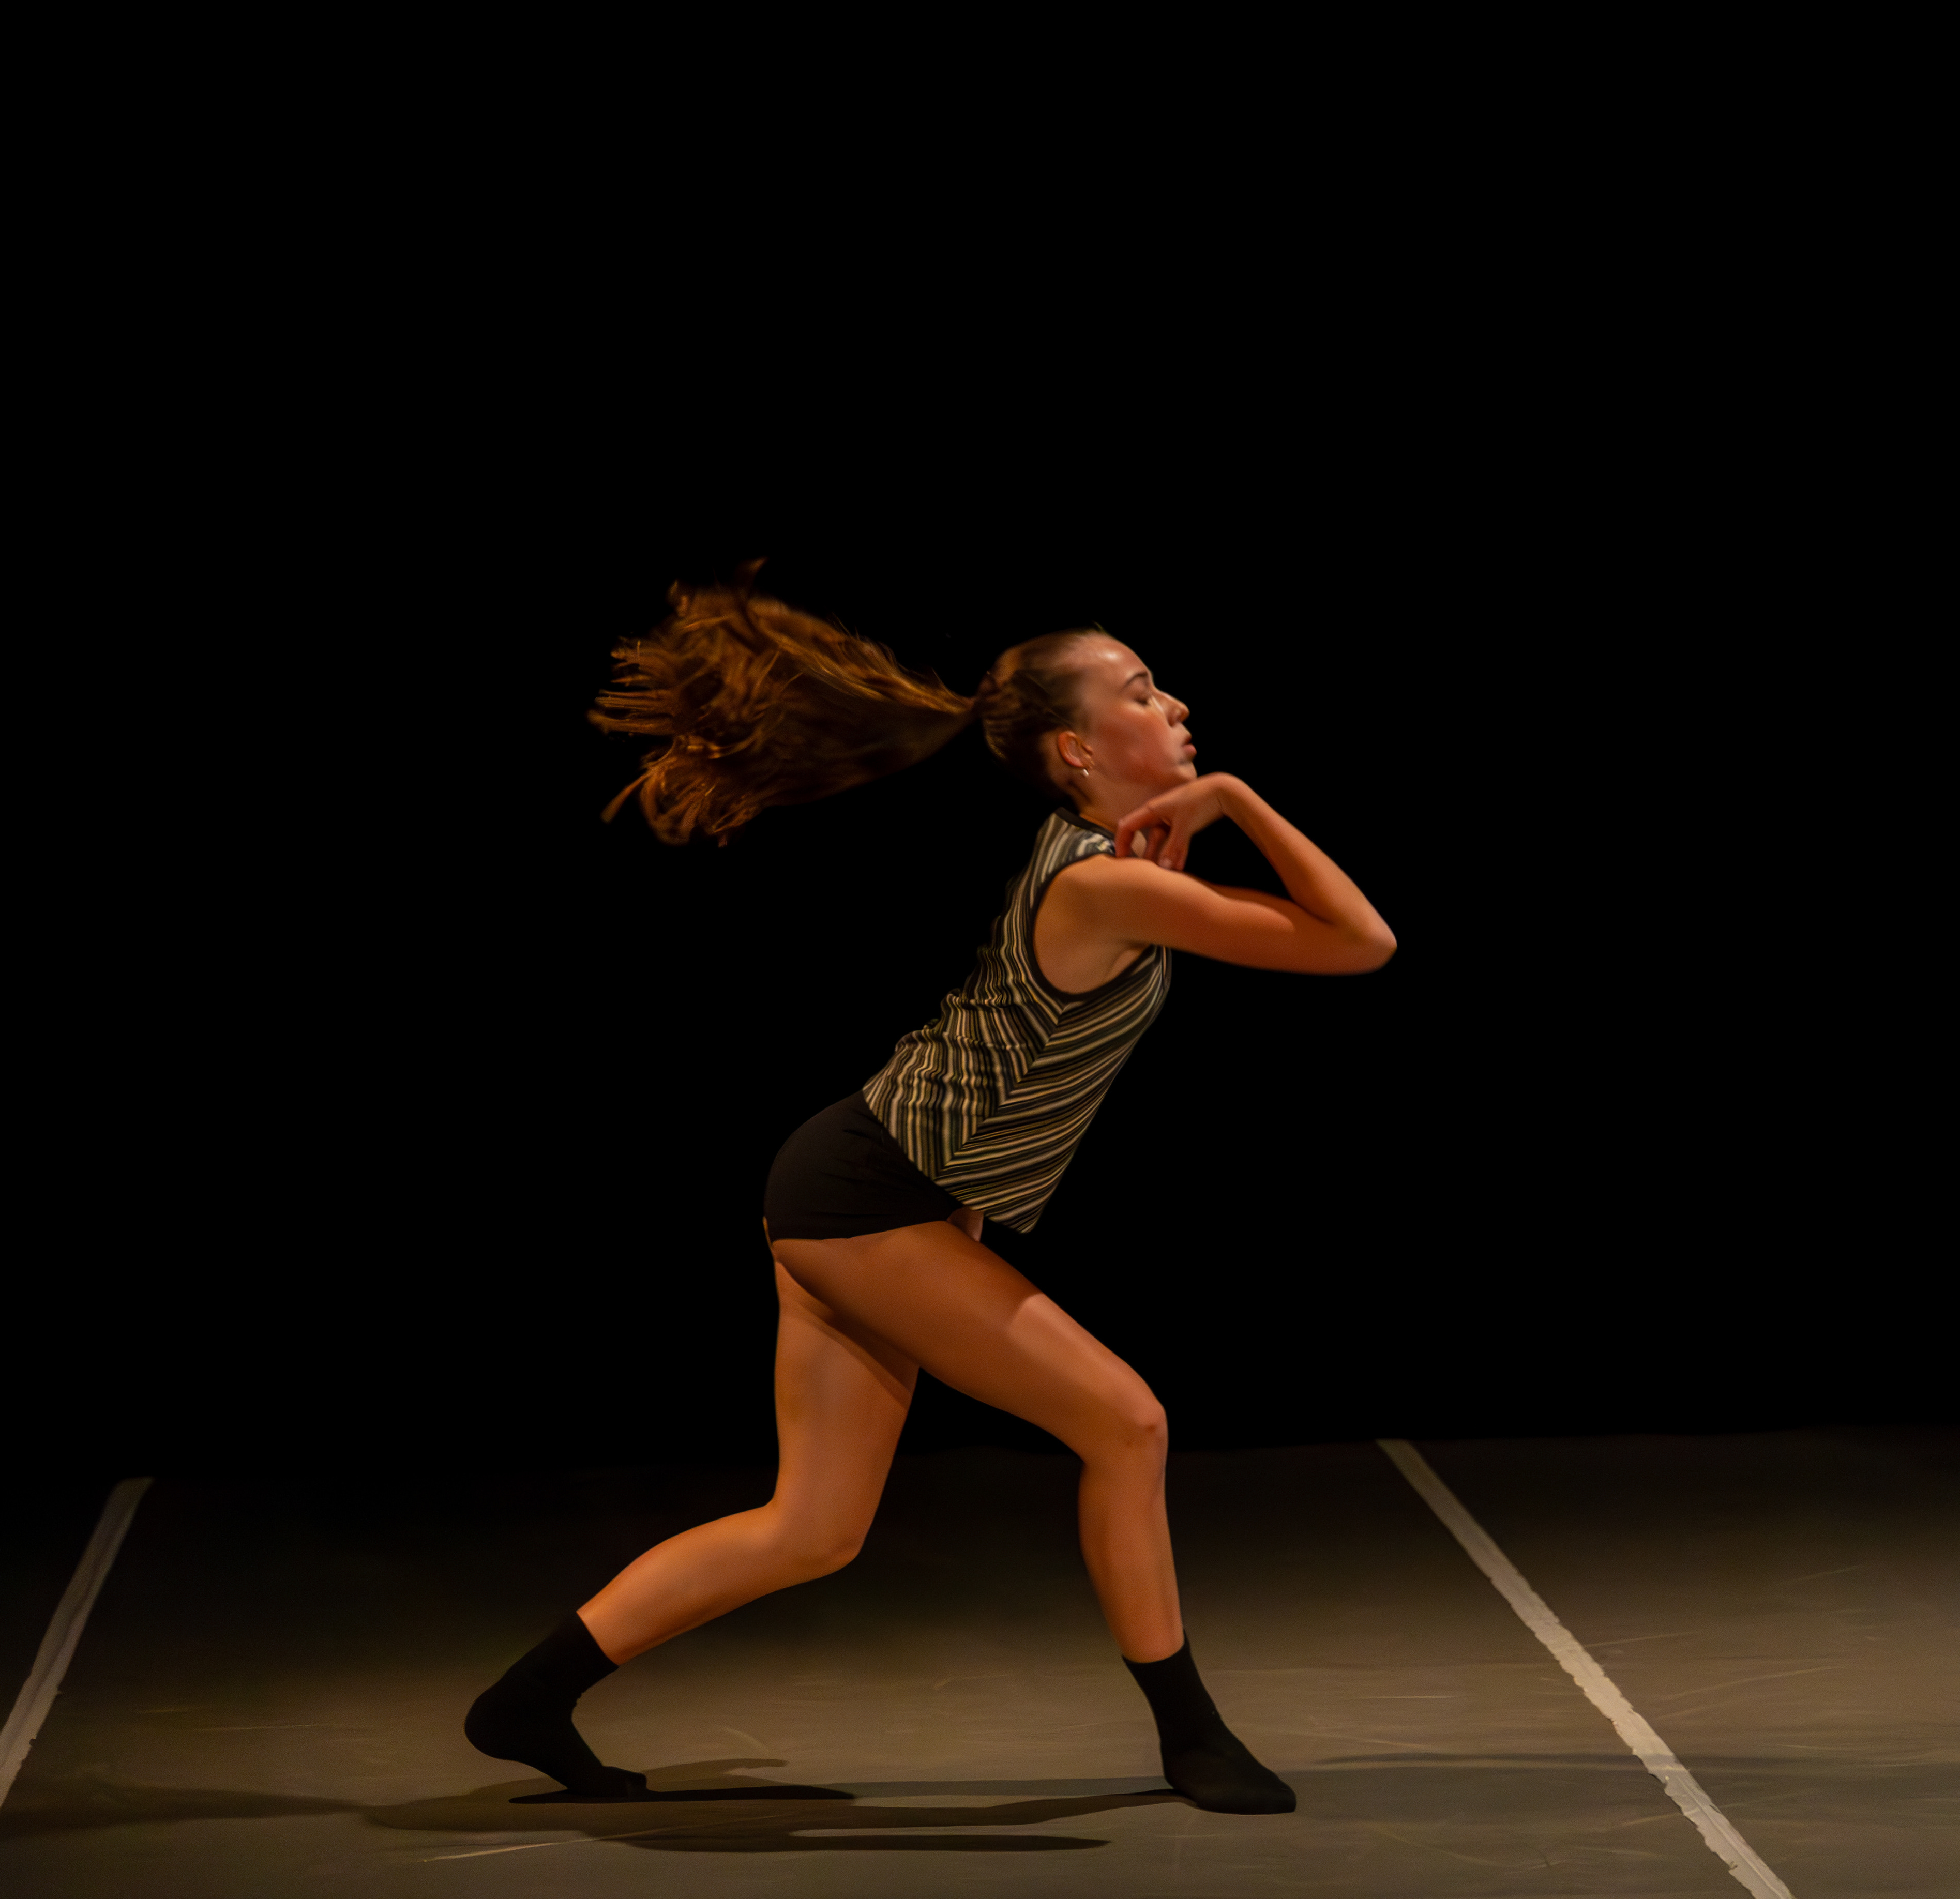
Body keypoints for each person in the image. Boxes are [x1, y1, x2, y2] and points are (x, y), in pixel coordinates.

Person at [465, 564, 1397, 1815]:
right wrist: (1231, 796)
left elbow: (1338, 938)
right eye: (1140, 691)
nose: (1175, 705)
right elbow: (1360, 943)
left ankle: (526, 1700)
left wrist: (1212, 804)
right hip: (870, 1202)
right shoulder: (1104, 882)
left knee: (814, 1528)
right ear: (1077, 749)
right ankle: (1192, 1737)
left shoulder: (1108, 866)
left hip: (860, 1191)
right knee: (1127, 1425)